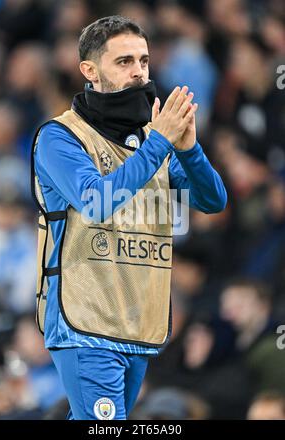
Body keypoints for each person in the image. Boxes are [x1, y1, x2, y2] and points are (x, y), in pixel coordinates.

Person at [31, 15, 227, 420]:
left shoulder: (151, 140)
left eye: (144, 60)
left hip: (138, 324)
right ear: (90, 70)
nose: (139, 71)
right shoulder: (60, 137)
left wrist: (188, 149)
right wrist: (159, 143)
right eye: (124, 62)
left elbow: (212, 201)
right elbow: (97, 202)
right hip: (84, 322)